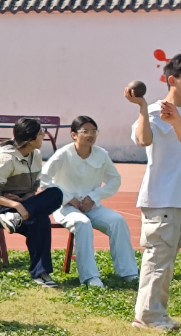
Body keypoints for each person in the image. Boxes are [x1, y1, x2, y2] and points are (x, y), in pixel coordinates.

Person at [41, 117, 138, 288]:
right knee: (82, 223)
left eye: (94, 131)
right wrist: (66, 197)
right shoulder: (63, 154)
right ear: (73, 135)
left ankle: (128, 272)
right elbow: (43, 179)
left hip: (91, 206)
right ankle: (90, 278)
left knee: (117, 221)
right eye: (85, 131)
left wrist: (94, 197)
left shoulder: (101, 154)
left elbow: (114, 180)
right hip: (65, 208)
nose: (90, 135)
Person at [126, 58, 181, 329]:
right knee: (159, 260)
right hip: (164, 197)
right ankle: (148, 317)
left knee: (165, 261)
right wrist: (143, 107)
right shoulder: (157, 112)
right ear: (172, 80)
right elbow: (143, 140)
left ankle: (156, 314)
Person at [0, 117, 66, 287]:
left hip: (20, 210)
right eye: (41, 134)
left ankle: (41, 273)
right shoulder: (6, 159)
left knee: (55, 193)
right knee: (41, 220)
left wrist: (23, 200)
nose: (44, 137)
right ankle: (41, 273)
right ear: (31, 139)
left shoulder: (36, 156)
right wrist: (16, 205)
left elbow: (33, 188)